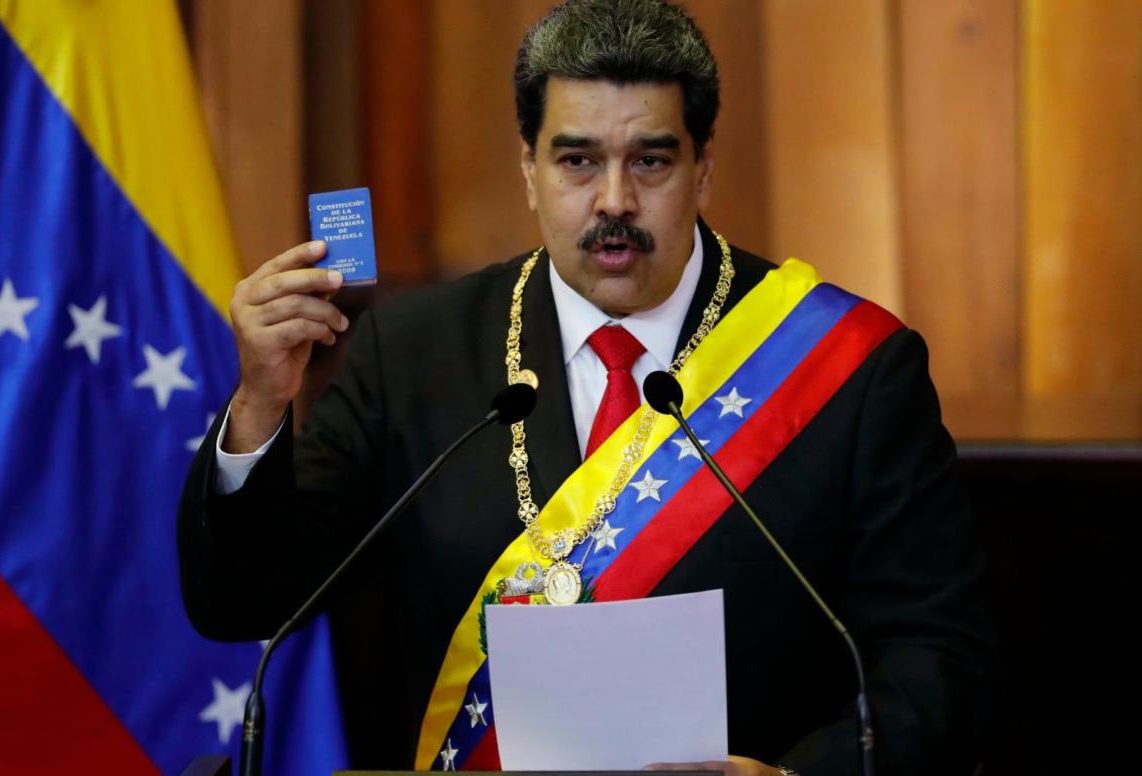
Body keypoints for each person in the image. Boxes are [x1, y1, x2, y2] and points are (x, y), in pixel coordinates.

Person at [177, 1, 990, 774]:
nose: (614, 201)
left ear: (703, 169)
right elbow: (247, 602)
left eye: (651, 161)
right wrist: (259, 404)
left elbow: (938, 665)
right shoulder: (414, 355)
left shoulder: (848, 371)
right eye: (576, 160)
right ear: (527, 170)